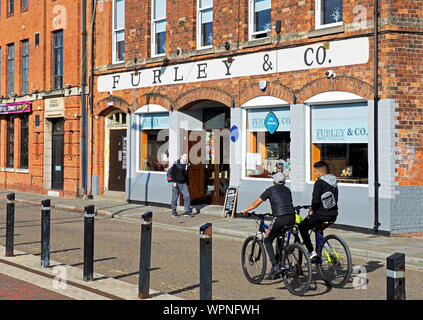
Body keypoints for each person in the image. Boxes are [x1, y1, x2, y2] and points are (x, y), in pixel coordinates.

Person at [240, 172, 295, 280]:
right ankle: (280, 264)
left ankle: (275, 266)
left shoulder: (270, 190)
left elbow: (256, 204)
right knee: (279, 238)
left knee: (267, 240)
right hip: (291, 217)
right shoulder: (287, 190)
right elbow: (284, 203)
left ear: (274, 181)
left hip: (279, 218)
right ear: (284, 182)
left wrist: (245, 210)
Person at [299, 161, 338, 260]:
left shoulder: (319, 183)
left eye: (315, 172)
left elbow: (315, 201)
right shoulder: (334, 182)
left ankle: (312, 252)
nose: (315, 174)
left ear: (320, 172)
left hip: (321, 214)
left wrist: (312, 210)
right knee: (318, 228)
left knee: (302, 227)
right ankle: (319, 252)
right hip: (333, 215)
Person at [169, 153, 193, 218]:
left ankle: (187, 212)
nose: (186, 158)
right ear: (181, 156)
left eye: (187, 156)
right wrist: (173, 182)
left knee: (187, 196)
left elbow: (186, 174)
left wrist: (187, 183)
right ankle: (174, 212)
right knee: (175, 198)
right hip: (176, 183)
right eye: (185, 156)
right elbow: (171, 173)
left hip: (183, 183)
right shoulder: (176, 163)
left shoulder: (186, 165)